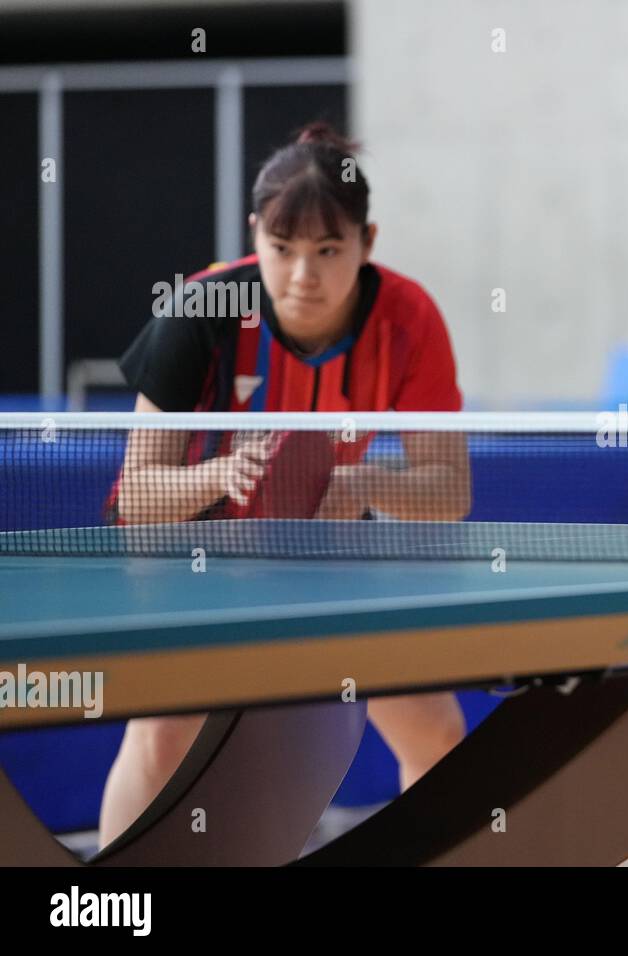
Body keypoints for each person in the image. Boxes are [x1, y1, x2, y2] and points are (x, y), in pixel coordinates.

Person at [99, 123, 471, 848]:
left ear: (368, 242)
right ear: (254, 236)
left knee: (435, 730)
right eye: (283, 249)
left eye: (329, 250)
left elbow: (451, 488)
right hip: (198, 555)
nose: (304, 274)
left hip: (328, 549)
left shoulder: (409, 318)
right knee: (161, 740)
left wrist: (364, 480)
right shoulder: (199, 309)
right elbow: (134, 497)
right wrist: (220, 474)